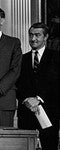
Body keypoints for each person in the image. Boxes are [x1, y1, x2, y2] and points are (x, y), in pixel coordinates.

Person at [16, 22, 59, 150]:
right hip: (26, 113)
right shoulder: (21, 59)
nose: (33, 38)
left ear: (45, 37)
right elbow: (16, 84)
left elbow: (56, 84)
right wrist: (27, 100)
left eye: (37, 35)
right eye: (31, 35)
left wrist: (38, 99)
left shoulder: (56, 57)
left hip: (49, 113)